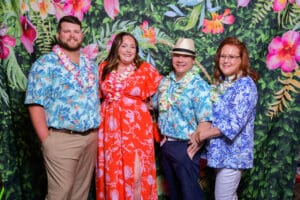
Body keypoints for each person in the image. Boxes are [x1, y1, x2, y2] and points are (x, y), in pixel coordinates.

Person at [24, 15, 101, 200]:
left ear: (82, 35)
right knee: (60, 194)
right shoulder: (45, 64)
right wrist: (47, 140)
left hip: (90, 138)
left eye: (76, 32)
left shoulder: (91, 66)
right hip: (62, 139)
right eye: (67, 31)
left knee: (80, 193)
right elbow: (35, 103)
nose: (72, 36)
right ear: (59, 35)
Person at [96, 32, 162, 199]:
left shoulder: (144, 69)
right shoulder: (104, 68)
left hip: (137, 128)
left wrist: (149, 105)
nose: (128, 50)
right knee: (113, 173)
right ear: (116, 47)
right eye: (124, 45)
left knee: (137, 173)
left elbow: (164, 93)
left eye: (133, 47)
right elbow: (96, 97)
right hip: (110, 129)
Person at [195, 37, 259, 200]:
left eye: (232, 57)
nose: (226, 60)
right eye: (223, 56)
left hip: (233, 154)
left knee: (223, 197)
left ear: (241, 60)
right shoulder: (222, 84)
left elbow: (233, 125)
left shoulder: (245, 85)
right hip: (219, 153)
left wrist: (202, 135)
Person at [152, 38, 212, 200]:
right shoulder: (165, 82)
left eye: (185, 56)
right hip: (166, 145)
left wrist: (194, 146)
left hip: (185, 146)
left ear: (193, 60)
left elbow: (205, 120)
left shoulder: (198, 85)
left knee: (190, 195)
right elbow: (155, 106)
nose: (180, 60)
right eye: (177, 55)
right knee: (174, 194)